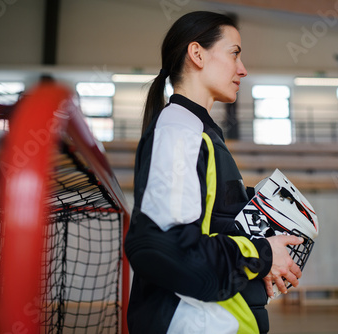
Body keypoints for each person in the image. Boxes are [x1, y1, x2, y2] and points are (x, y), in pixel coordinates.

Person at [124, 11, 304, 334]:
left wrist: (257, 237)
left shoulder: (201, 132)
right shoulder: (180, 130)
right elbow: (165, 248)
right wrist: (261, 255)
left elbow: (209, 232)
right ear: (197, 54)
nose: (243, 69)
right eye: (234, 53)